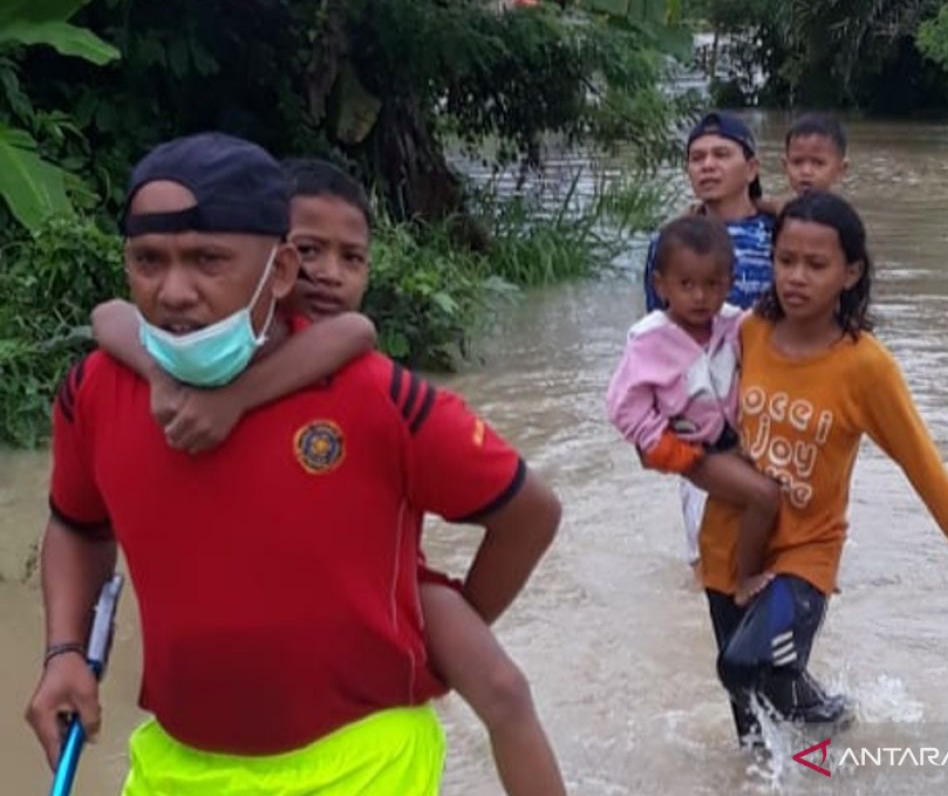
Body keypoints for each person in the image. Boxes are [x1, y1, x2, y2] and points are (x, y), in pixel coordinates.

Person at [24, 133, 561, 796]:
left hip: (360, 763)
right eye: (147, 261)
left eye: (207, 260)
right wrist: (64, 651)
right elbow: (77, 523)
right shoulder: (96, 390)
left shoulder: (374, 395)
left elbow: (530, 510)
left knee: (504, 694)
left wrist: (435, 636)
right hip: (177, 766)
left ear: (276, 274)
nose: (174, 291)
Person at [698, 190, 948, 746]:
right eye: (786, 261)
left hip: (803, 557)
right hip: (727, 549)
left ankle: (831, 718)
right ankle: (808, 773)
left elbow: (928, 472)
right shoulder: (747, 334)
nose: (796, 277)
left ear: (850, 272)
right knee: (753, 729)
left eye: (816, 265)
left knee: (745, 667)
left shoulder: (866, 366)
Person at [608, 216, 777, 607]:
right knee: (763, 497)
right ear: (660, 285)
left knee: (771, 498)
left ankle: (738, 573)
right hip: (695, 449)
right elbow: (622, 405)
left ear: (730, 282)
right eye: (686, 285)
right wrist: (660, 444)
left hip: (737, 441)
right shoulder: (649, 339)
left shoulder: (734, 324)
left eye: (712, 285)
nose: (699, 297)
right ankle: (745, 579)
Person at [641, 112, 776, 579]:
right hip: (699, 411)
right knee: (707, 551)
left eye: (722, 154)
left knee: (784, 540)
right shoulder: (668, 243)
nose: (708, 166)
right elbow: (655, 338)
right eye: (697, 158)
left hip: (773, 403)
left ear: (752, 168)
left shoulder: (781, 234)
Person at [781, 112, 849, 196]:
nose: (806, 171)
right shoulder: (782, 207)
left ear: (840, 170)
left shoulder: (840, 209)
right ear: (785, 166)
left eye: (818, 163)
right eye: (797, 162)